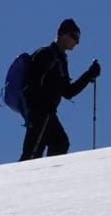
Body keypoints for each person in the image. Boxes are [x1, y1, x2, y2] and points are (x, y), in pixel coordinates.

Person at [20, 18, 100, 160]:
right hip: (41, 113)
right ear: (63, 35)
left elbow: (69, 92)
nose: (77, 42)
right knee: (37, 152)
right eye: (74, 37)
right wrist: (40, 107)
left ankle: (44, 178)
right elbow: (33, 84)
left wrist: (89, 74)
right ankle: (31, 179)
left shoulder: (60, 60)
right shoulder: (46, 55)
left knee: (54, 145)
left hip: (45, 113)